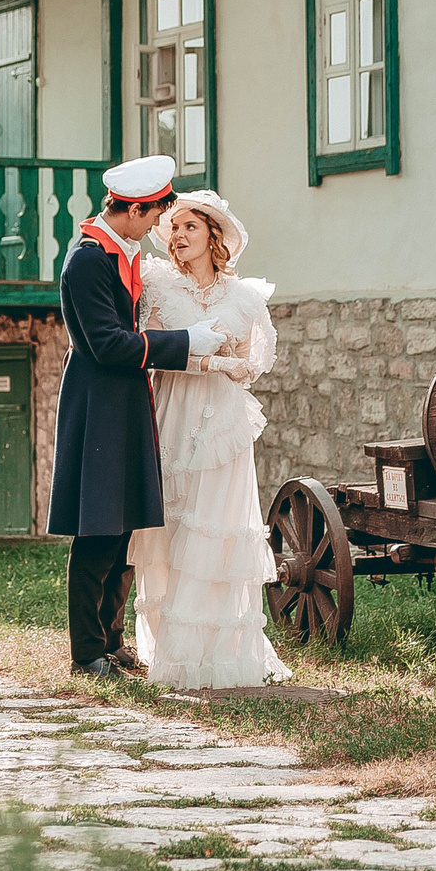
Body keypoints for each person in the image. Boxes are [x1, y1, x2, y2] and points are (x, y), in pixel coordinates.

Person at [49, 155, 221, 678]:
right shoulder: (88, 259)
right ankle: (86, 653)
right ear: (133, 209)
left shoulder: (118, 251)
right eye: (152, 218)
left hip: (123, 401)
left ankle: (111, 640)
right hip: (98, 403)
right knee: (98, 530)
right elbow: (105, 344)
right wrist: (185, 342)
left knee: (122, 529)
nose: (155, 230)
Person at [129, 191, 291, 689]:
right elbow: (149, 350)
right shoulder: (158, 288)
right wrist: (207, 359)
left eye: (189, 228)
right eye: (173, 228)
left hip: (221, 422)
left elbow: (250, 361)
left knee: (214, 529)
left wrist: (233, 365)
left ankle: (221, 652)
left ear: (212, 237)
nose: (177, 237)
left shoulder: (244, 297)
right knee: (172, 528)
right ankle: (172, 651)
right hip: (172, 410)